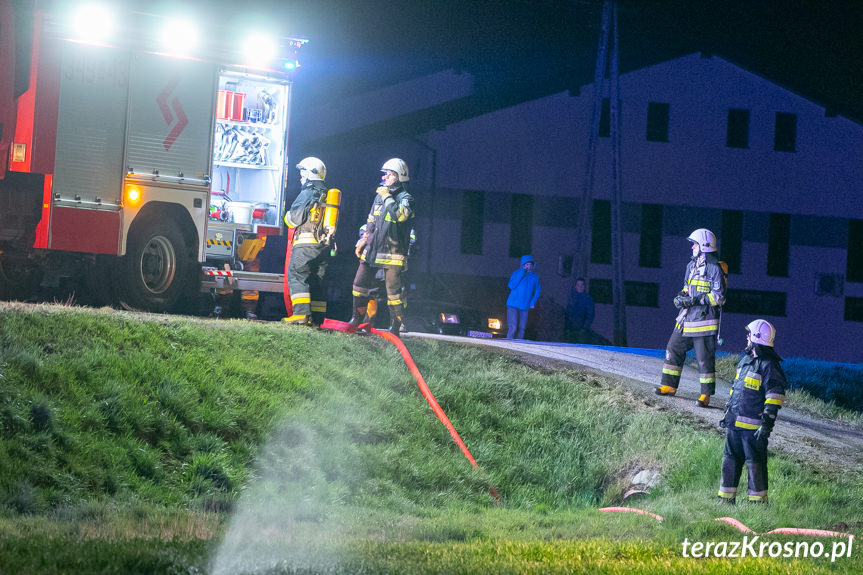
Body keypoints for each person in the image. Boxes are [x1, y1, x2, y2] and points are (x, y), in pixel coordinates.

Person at [654, 228, 726, 407]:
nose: (692, 247)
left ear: (703, 246)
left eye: (694, 243)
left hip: (704, 321)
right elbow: (687, 287)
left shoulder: (715, 268)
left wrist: (695, 300)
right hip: (686, 319)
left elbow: (718, 297)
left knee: (704, 360)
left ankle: (705, 396)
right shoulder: (691, 266)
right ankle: (669, 386)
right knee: (673, 348)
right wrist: (681, 296)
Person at [718, 319, 786, 505]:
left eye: (749, 335)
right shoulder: (745, 362)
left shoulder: (770, 366)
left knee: (755, 465)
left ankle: (757, 504)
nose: (746, 338)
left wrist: (766, 424)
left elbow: (774, 397)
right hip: (733, 426)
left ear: (756, 338)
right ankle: (725, 501)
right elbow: (736, 392)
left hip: (753, 430)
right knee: (729, 462)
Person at [348, 158, 415, 336]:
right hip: (373, 249)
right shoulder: (379, 196)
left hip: (393, 253)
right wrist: (363, 240)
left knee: (393, 293)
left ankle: (395, 327)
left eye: (389, 174)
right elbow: (371, 220)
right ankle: (356, 319)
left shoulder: (406, 198)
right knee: (359, 284)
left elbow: (399, 216)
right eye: (384, 174)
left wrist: (386, 196)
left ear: (400, 176)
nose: (385, 177)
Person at [283, 157, 331, 326]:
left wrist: (287, 216)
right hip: (323, 245)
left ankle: (301, 315)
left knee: (297, 274)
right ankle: (317, 319)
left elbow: (294, 219)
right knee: (316, 280)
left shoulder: (307, 193)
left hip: (305, 243)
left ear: (311, 173)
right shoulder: (327, 194)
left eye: (303, 171)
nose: (300, 176)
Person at [506, 255, 541, 339]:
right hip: (513, 305)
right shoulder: (517, 273)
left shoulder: (534, 277)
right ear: (522, 265)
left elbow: (537, 291)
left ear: (532, 265)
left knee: (522, 329)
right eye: (526, 264)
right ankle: (507, 345)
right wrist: (522, 273)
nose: (528, 266)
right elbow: (511, 285)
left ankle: (519, 348)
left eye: (530, 264)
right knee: (513, 328)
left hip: (525, 306)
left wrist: (532, 302)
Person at [564, 277, 595, 343]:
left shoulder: (588, 299)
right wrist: (567, 327)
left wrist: (584, 328)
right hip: (571, 330)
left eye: (582, 285)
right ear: (575, 286)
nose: (580, 287)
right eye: (578, 285)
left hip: (582, 331)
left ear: (584, 286)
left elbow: (590, 314)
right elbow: (568, 313)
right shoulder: (571, 297)